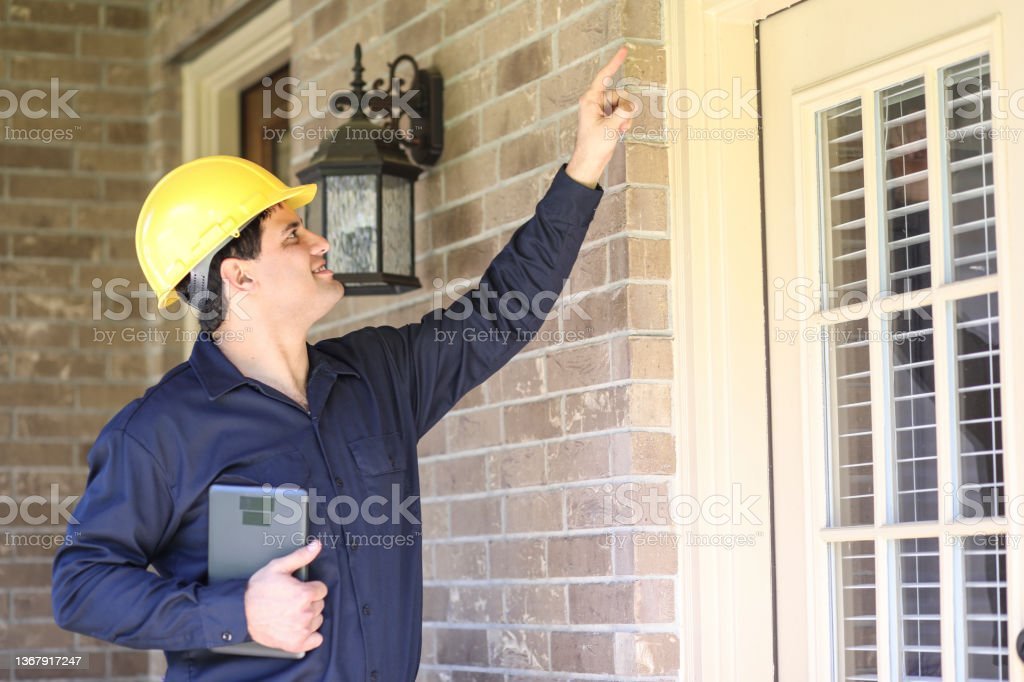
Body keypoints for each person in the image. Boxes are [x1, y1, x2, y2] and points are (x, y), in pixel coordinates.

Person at [52, 46, 635, 681]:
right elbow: (81, 584)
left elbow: (500, 313)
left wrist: (587, 162)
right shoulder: (160, 433)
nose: (321, 241)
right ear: (238, 274)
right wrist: (237, 612)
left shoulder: (379, 375)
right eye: (293, 235)